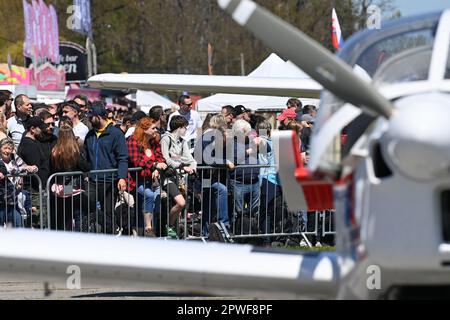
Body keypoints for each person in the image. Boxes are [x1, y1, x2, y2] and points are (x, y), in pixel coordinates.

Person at [84, 103, 128, 235]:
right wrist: (85, 173)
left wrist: (121, 177)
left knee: (108, 213)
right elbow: (85, 156)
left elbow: (123, 158)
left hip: (109, 181)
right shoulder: (90, 134)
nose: (89, 120)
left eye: (91, 117)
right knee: (87, 210)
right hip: (92, 181)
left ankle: (108, 239)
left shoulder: (116, 134)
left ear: (98, 117)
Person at [127, 117, 167, 237]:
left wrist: (157, 169)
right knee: (148, 195)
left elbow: (161, 157)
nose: (156, 130)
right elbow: (137, 161)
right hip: (136, 180)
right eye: (153, 128)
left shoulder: (153, 141)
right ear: (144, 129)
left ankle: (149, 232)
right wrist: (154, 165)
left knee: (155, 200)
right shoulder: (133, 141)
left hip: (152, 180)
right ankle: (148, 228)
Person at [49, 118, 90, 232]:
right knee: (78, 215)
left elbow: (52, 169)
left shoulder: (55, 151)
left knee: (65, 217)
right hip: (73, 187)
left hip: (61, 187)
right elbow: (86, 167)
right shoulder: (73, 151)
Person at [195, 114, 233, 235]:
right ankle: (224, 226)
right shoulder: (210, 136)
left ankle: (206, 233)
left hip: (207, 175)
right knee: (221, 190)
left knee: (208, 205)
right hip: (205, 176)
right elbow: (208, 159)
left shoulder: (209, 135)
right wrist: (225, 162)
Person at [160, 115, 197, 238]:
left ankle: (174, 230)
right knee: (180, 203)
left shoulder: (183, 142)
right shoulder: (166, 139)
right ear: (179, 127)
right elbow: (166, 159)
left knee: (182, 206)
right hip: (167, 178)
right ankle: (169, 226)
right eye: (185, 127)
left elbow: (190, 159)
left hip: (180, 179)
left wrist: (193, 167)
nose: (186, 130)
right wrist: (181, 165)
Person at [0, 138, 37, 227]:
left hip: (13, 200)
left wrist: (31, 168)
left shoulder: (14, 157)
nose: (7, 151)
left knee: (17, 227)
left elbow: (24, 166)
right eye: (5, 148)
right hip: (0, 201)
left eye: (10, 148)